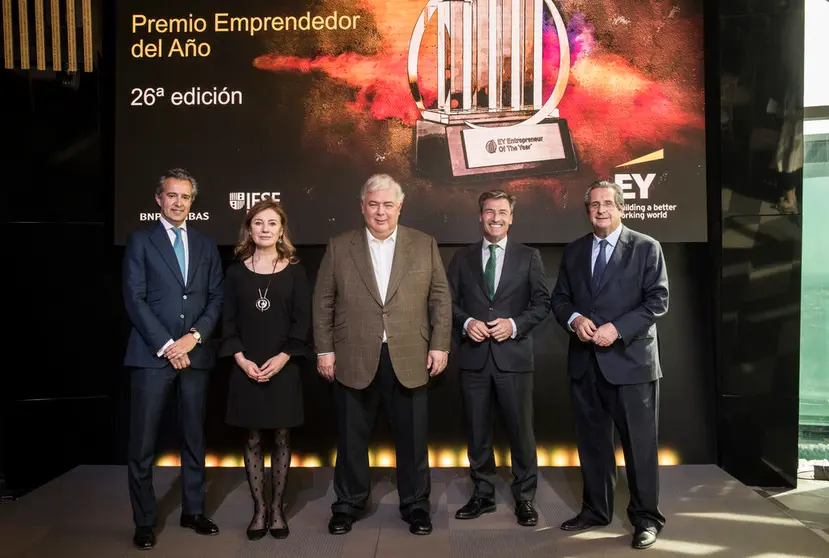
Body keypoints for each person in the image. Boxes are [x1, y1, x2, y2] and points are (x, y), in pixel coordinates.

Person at [313, 174, 452, 536]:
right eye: (373, 204)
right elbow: (323, 301)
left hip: (410, 355)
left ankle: (416, 505)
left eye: (388, 204)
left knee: (413, 438)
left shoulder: (424, 244)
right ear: (362, 207)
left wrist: (439, 344)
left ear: (400, 207)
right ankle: (347, 503)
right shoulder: (339, 246)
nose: (380, 211)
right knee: (351, 437)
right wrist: (325, 349)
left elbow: (440, 298)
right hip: (352, 355)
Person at [551, 180, 669, 550]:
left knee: (640, 447)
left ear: (621, 208)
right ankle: (595, 510)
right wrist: (574, 320)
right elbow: (560, 299)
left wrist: (616, 329)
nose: (601, 210)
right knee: (593, 445)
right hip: (585, 365)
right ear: (587, 211)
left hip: (631, 365)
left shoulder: (647, 247)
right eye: (594, 205)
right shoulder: (573, 252)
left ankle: (647, 518)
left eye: (608, 204)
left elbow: (657, 301)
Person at [123, 168, 223, 550]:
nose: (178, 202)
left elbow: (216, 298)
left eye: (185, 197)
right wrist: (168, 345)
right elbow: (134, 299)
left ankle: (193, 510)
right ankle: (145, 520)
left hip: (195, 356)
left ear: (191, 202)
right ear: (158, 198)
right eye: (172, 196)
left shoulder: (205, 244)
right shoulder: (140, 241)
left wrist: (192, 339)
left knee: (194, 437)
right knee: (143, 444)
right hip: (151, 357)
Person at [446, 190, 550, 526]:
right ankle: (483, 495)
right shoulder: (461, 258)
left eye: (502, 212)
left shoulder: (528, 256)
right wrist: (467, 322)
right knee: (477, 432)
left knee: (521, 432)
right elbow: (448, 303)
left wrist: (514, 324)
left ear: (511, 217)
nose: (496, 218)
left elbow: (542, 303)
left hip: (514, 359)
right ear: (480, 216)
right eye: (490, 212)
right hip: (474, 359)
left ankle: (525, 499)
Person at [220, 200, 311, 541]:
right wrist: (241, 360)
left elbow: (302, 322)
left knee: (283, 436)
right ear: (249, 228)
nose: (265, 229)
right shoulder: (235, 272)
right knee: (254, 437)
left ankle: (278, 509)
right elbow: (227, 322)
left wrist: (284, 357)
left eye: (272, 223)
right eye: (258, 223)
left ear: (281, 230)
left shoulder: (295, 270)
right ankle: (259, 508)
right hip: (246, 365)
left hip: (283, 364)